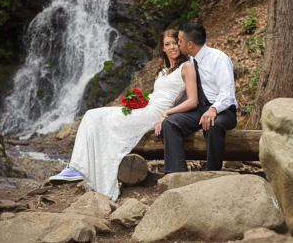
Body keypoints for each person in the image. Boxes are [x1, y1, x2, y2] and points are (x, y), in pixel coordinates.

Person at [49, 29, 198, 201]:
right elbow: (157, 95)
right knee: (91, 115)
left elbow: (192, 100)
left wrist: (166, 113)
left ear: (180, 44)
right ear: (162, 48)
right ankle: (75, 168)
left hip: (157, 113)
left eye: (174, 42)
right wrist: (139, 100)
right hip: (147, 107)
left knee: (101, 120)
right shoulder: (163, 71)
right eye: (167, 44)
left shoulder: (187, 67)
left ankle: (80, 169)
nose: (172, 47)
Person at [162, 22, 238, 173]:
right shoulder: (190, 62)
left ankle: (212, 173)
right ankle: (176, 173)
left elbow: (227, 93)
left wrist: (213, 109)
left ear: (190, 44)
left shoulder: (219, 59)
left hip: (223, 110)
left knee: (213, 124)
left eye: (180, 41)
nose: (178, 44)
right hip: (199, 110)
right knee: (170, 123)